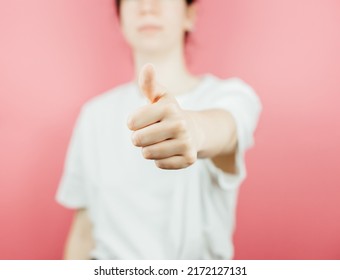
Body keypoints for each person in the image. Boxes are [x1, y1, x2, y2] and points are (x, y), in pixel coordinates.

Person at [55, 0, 262, 260]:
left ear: (189, 15)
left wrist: (194, 130)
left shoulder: (231, 96)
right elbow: (83, 233)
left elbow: (225, 129)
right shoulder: (94, 115)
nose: (147, 6)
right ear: (120, 18)